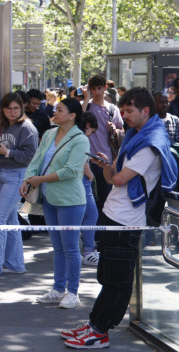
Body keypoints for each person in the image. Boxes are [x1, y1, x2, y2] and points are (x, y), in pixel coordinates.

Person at [65, 87, 176, 349]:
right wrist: (108, 166)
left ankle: (99, 330)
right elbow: (113, 177)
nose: (123, 115)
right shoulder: (135, 136)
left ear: (145, 111)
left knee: (117, 279)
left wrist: (112, 170)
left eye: (129, 111)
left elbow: (118, 178)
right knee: (108, 275)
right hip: (114, 212)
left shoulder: (150, 142)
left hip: (128, 219)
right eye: (123, 110)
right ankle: (95, 324)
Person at [23, 97, 90, 310]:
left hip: (70, 200)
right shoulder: (50, 133)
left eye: (60, 109)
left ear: (72, 115)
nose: (55, 111)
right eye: (55, 109)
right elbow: (37, 159)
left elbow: (71, 171)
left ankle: (73, 292)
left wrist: (39, 180)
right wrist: (28, 179)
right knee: (58, 247)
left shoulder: (80, 139)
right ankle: (58, 288)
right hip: (48, 198)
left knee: (70, 248)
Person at [0, 91, 38, 279]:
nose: (12, 112)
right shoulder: (1, 124)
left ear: (22, 108)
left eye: (16, 108)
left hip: (17, 176)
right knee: (10, 220)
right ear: (3, 109)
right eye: (8, 109)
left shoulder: (27, 128)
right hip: (2, 173)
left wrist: (7, 152)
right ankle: (15, 264)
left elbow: (31, 156)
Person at [83, 74, 123, 213]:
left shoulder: (112, 109)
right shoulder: (86, 106)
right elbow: (77, 123)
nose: (97, 92)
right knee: (88, 200)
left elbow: (121, 130)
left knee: (104, 200)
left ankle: (100, 232)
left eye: (99, 88)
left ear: (105, 88)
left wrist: (114, 129)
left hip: (105, 162)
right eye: (93, 89)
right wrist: (86, 98)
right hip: (86, 161)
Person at [80, 114, 100, 267]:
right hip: (82, 181)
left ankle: (88, 249)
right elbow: (82, 162)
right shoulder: (82, 139)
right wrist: (90, 175)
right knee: (91, 214)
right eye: (91, 131)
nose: (91, 134)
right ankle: (88, 250)